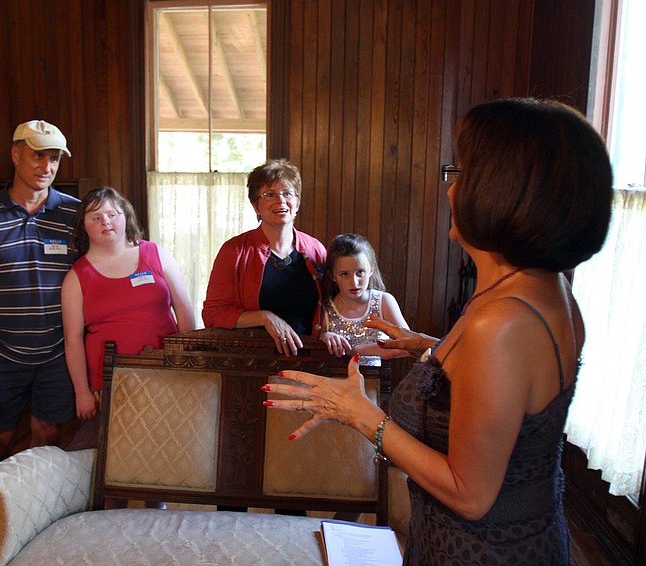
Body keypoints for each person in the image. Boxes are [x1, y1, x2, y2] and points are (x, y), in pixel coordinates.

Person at [262, 98, 613, 564]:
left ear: (502, 192)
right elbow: (512, 390)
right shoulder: (548, 288)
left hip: (479, 549)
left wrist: (357, 412)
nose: (450, 190)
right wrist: (430, 348)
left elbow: (469, 494)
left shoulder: (502, 323)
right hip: (527, 531)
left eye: (461, 173)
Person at [0, 119, 79, 471]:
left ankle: (36, 516)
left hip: (58, 351)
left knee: (48, 434)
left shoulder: (75, 213)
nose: (47, 167)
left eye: (54, 158)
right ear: (16, 154)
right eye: (39, 156)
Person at [61, 186, 196, 421]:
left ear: (126, 216)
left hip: (166, 371)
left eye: (112, 214)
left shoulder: (156, 253)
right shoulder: (76, 276)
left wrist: (187, 360)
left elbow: (183, 308)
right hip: (110, 382)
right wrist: (81, 392)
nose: (106, 221)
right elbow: (72, 340)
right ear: (84, 225)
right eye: (96, 217)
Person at [203, 158, 326, 356]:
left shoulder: (315, 250)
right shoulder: (234, 250)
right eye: (270, 194)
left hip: (310, 360)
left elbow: (332, 307)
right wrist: (264, 317)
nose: (281, 200)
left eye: (288, 193)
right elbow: (213, 314)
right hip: (251, 362)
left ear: (298, 202)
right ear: (255, 206)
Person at [320, 233, 410, 365]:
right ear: (333, 276)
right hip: (336, 381)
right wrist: (324, 338)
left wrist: (357, 350)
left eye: (360, 272)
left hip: (375, 381)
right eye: (345, 274)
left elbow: (409, 345)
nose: (354, 282)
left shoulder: (384, 301)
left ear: (371, 270)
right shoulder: (325, 308)